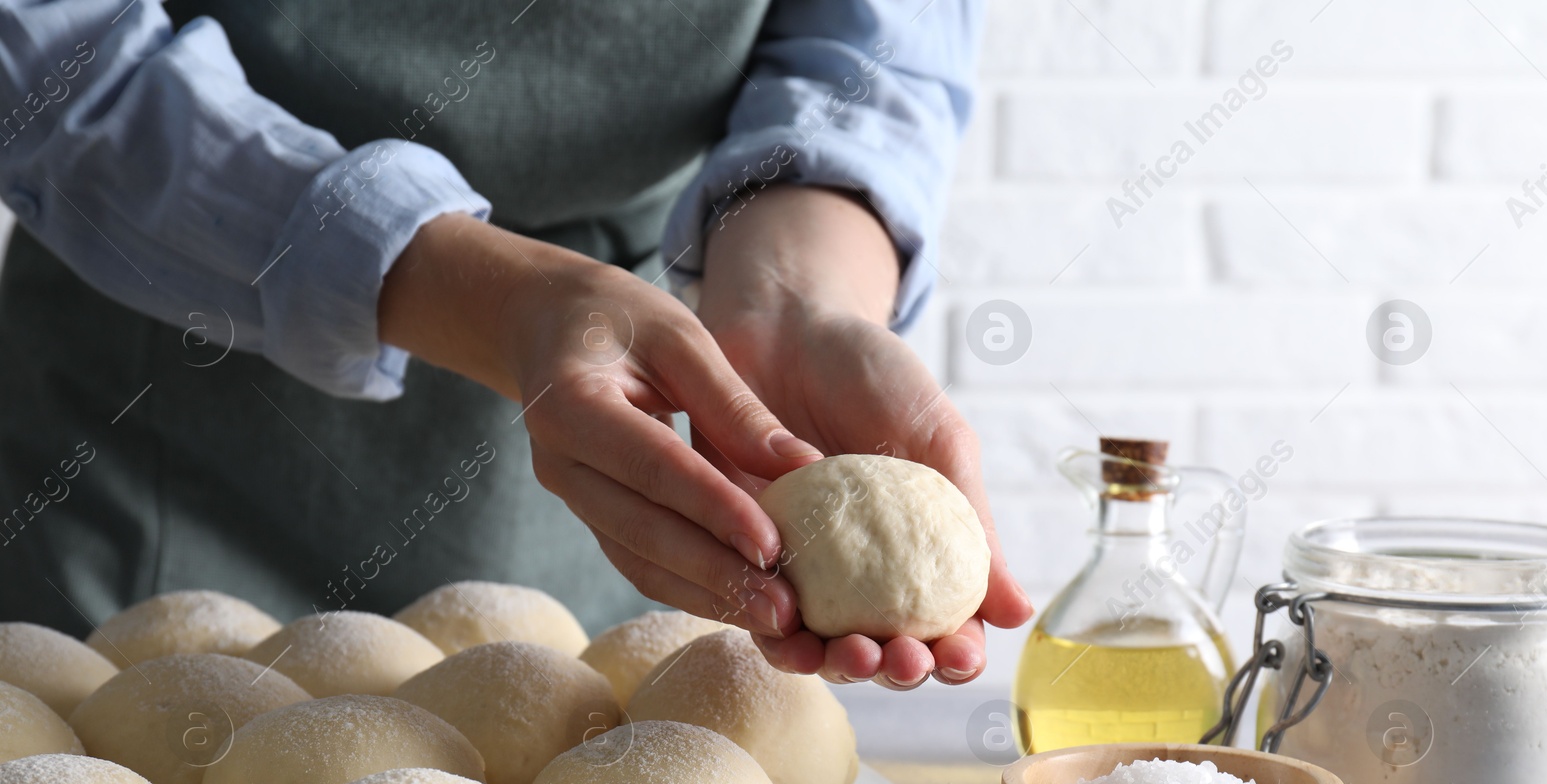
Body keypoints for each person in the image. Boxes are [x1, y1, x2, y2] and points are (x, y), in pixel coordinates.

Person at [0, 0, 1029, 689]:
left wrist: (797, 303)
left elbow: (872, 45)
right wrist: (491, 296)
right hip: (162, 409)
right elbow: (50, 50)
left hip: (645, 450)